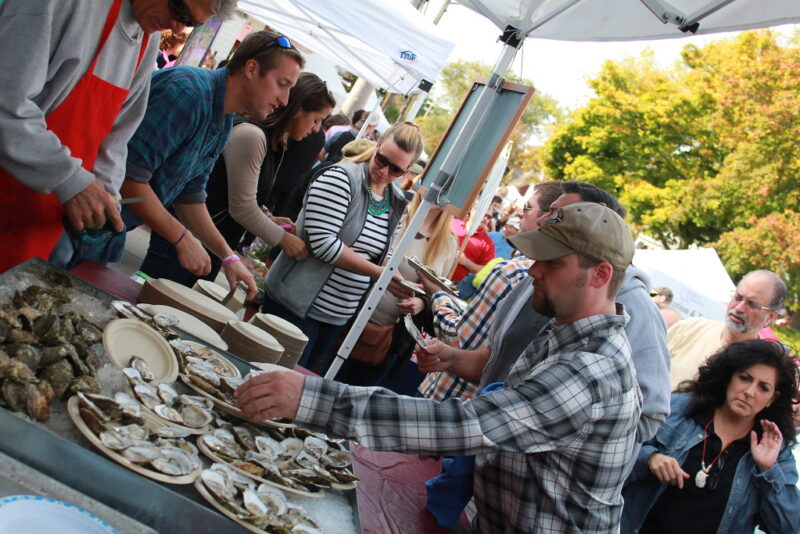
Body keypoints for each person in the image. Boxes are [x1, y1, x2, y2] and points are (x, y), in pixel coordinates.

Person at [236, 201, 642, 533]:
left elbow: (468, 425)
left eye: (552, 263)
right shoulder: (565, 331)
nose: (534, 270)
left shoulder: (590, 371)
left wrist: (310, 399)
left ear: (600, 275)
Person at [419, 181, 671, 444]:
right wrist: (451, 358)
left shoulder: (635, 309)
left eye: (562, 215)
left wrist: (564, 440)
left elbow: (648, 416)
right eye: (551, 212)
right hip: (482, 452)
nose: (548, 221)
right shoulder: (536, 277)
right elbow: (495, 360)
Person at [0, 0, 235, 273]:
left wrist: (108, 193)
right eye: (180, 12)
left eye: (191, 23)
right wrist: (70, 179)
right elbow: (7, 106)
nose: (178, 27)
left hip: (41, 222)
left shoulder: (146, 44)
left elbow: (116, 138)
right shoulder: (66, 5)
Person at [117, 31, 306, 300]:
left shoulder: (225, 117)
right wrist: (181, 237)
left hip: (109, 228)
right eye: (282, 84)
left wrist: (228, 257)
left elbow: (191, 194)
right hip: (72, 219)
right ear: (251, 69)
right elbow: (128, 178)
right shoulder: (189, 92)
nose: (285, 100)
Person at [261, 122, 424, 374]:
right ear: (376, 147)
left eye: (395, 170)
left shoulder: (396, 199)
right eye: (381, 160)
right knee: (267, 377)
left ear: (406, 172)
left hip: (337, 316)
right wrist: (377, 273)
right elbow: (323, 244)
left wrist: (396, 278)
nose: (384, 171)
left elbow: (383, 252)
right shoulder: (341, 178)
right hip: (295, 303)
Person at [168, 72, 334, 285]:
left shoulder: (273, 141)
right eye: (317, 120)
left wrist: (268, 217)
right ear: (298, 110)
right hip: (192, 239)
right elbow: (242, 207)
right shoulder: (253, 135)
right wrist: (284, 239)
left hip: (209, 242)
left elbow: (241, 193)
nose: (317, 129)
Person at [622, 339, 800, 534]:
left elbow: (789, 527)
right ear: (729, 376)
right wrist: (650, 458)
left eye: (763, 388)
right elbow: (613, 453)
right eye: (745, 378)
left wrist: (768, 470)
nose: (749, 392)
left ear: (772, 399)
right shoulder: (679, 408)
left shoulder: (773, 448)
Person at [417, 181, 563, 400]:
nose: (520, 215)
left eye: (527, 208)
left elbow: (461, 337)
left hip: (450, 395)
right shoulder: (555, 283)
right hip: (487, 407)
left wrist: (436, 294)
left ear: (547, 217)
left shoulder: (512, 273)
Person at [335, 190, 457, 386]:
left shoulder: (448, 243)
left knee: (355, 396)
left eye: (446, 190)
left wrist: (422, 303)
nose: (438, 193)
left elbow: (440, 295)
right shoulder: (397, 215)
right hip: (350, 313)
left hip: (390, 337)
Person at [668, 270, 787, 389]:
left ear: (770, 317)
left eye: (751, 304)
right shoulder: (689, 329)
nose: (739, 308)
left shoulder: (762, 371)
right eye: (738, 297)